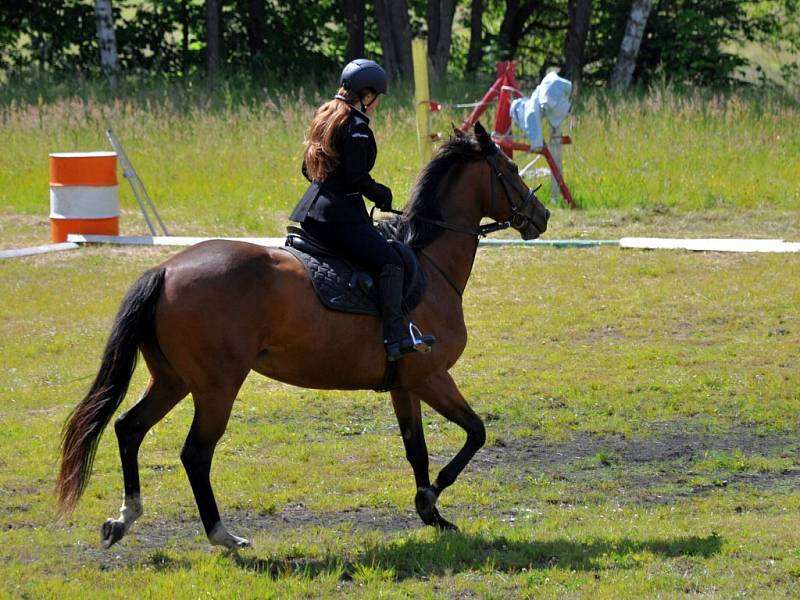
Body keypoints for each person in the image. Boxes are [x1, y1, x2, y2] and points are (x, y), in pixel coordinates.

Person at [289, 58, 434, 362]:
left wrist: (335, 187)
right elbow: (355, 178)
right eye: (377, 98)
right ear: (367, 96)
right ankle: (395, 336)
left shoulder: (325, 117)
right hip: (338, 219)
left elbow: (308, 169)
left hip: (311, 213)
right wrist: (380, 193)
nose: (377, 104)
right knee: (391, 262)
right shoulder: (355, 127)